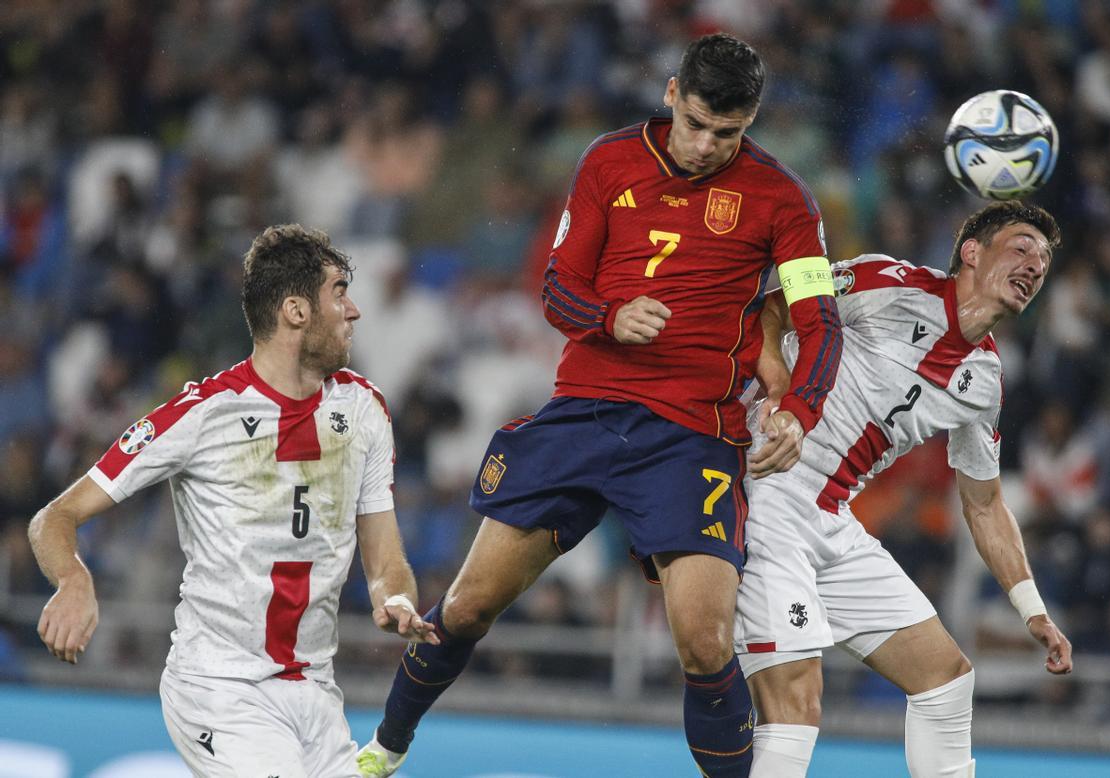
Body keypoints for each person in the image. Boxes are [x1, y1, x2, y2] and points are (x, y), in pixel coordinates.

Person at [356, 33, 842, 778]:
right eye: (699, 124)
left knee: (705, 643)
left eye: (729, 133)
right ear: (672, 93)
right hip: (585, 414)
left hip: (691, 439)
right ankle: (385, 749)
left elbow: (820, 321)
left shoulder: (782, 197)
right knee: (466, 607)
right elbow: (557, 288)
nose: (709, 145)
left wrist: (798, 412)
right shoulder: (606, 162)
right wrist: (609, 319)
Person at [28, 225, 438, 777]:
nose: (354, 310)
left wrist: (398, 600)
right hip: (219, 688)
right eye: (338, 292)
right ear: (295, 311)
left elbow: (386, 562)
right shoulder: (203, 413)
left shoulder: (364, 410)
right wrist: (74, 581)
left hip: (315, 695)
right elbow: (55, 516)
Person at [735, 201, 1074, 777]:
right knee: (795, 696)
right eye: (1020, 248)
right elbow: (772, 308)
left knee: (945, 679)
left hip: (830, 518)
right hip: (764, 489)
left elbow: (985, 503)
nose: (1034, 266)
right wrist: (780, 388)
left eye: (1043, 262)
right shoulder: (886, 280)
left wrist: (1032, 610)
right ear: (972, 252)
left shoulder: (984, 381)